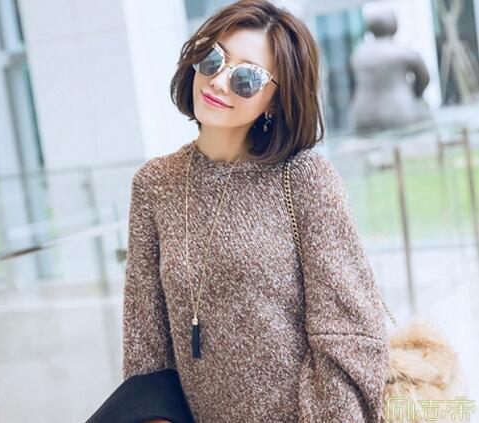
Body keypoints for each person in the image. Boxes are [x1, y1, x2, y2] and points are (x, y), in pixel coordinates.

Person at [123, 0, 390, 422]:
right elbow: (145, 346)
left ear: (274, 101)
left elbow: (350, 334)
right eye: (213, 59)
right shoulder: (155, 184)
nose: (218, 82)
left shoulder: (305, 177)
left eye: (246, 78)